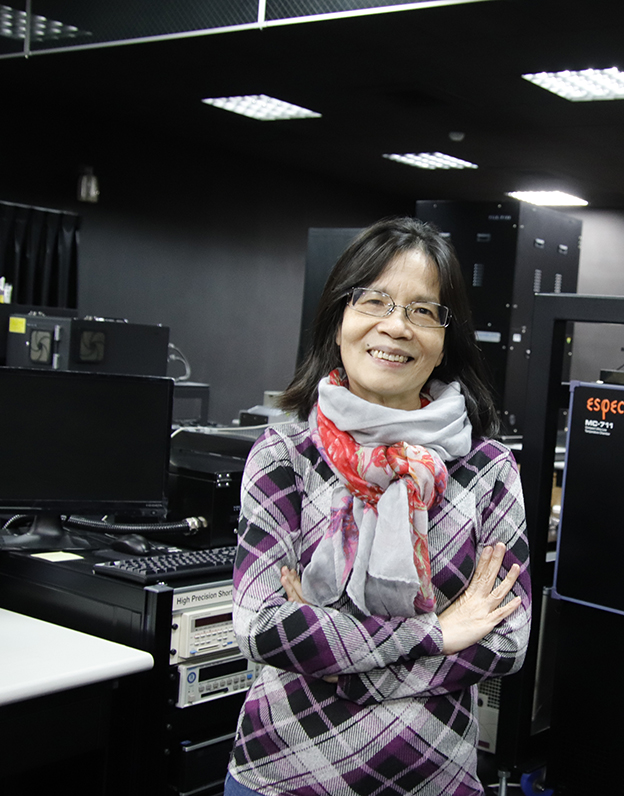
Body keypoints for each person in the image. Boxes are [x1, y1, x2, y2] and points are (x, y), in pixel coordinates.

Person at [226, 217, 531, 796]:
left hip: (430, 778)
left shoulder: (488, 468)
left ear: (446, 339)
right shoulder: (286, 453)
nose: (396, 326)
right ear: (339, 319)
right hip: (283, 773)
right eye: (376, 301)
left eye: (423, 311)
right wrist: (438, 631)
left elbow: (506, 641)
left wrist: (330, 655)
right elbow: (261, 627)